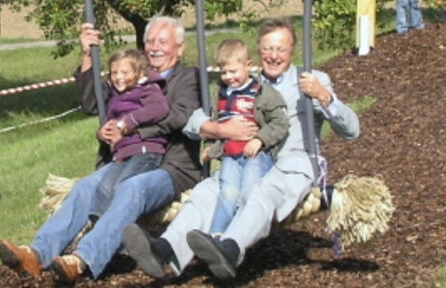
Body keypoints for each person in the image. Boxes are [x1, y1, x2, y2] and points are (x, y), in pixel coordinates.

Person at [122, 18, 360, 280]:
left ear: (292, 50)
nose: (273, 56)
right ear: (257, 51)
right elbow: (193, 121)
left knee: (263, 192)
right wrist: (218, 130)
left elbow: (352, 131)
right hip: (243, 161)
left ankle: (230, 248)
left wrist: (324, 96)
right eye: (267, 48)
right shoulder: (242, 81)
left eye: (281, 49)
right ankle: (165, 249)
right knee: (207, 192)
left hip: (291, 165)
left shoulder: (309, 82)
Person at [0, 16, 217, 283]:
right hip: (127, 158)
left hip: (171, 166)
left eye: (163, 41)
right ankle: (37, 254)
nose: (155, 47)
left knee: (132, 188)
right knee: (85, 187)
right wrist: (88, 56)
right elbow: (92, 103)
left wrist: (129, 128)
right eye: (150, 41)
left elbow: (180, 116)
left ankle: (81, 259)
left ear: (180, 48)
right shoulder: (132, 76)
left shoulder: (187, 77)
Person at [204, 39, 288, 235]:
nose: (228, 77)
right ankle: (216, 234)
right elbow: (215, 124)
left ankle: (238, 235)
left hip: (255, 155)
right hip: (230, 156)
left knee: (249, 191)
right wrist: (211, 149)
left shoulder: (262, 93)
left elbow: (280, 123)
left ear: (249, 66)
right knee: (228, 192)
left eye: (233, 71)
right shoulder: (221, 95)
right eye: (223, 72)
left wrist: (259, 139)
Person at [90, 49, 170, 219]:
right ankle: (98, 222)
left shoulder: (146, 89)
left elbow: (160, 108)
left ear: (139, 73)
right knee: (104, 188)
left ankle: (114, 224)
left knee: (122, 185)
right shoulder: (115, 96)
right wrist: (103, 133)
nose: (119, 77)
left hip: (144, 149)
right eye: (114, 72)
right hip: (122, 153)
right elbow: (109, 119)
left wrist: (129, 121)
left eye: (125, 72)